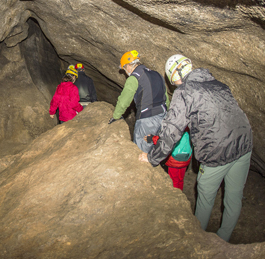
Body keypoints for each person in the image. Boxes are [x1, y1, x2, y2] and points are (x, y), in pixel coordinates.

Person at [142, 54, 253, 242]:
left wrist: (152, 157)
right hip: (244, 144)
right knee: (234, 198)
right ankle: (223, 239)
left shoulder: (184, 91)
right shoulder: (219, 85)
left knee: (205, 196)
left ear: (175, 76)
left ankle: (198, 241)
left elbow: (171, 131)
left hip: (217, 152)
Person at [108, 50, 168, 154]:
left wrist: (116, 116)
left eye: (125, 68)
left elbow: (124, 100)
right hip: (163, 117)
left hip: (147, 120)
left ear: (128, 66)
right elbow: (166, 97)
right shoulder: (157, 74)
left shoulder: (134, 77)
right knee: (156, 148)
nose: (125, 71)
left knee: (141, 151)